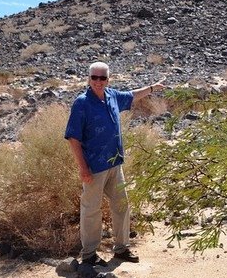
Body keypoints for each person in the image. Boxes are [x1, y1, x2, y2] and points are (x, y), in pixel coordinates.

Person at [65, 61, 165, 265]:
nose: (98, 82)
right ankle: (89, 255)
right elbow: (73, 138)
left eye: (102, 78)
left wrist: (152, 88)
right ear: (88, 78)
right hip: (94, 166)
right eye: (95, 77)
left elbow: (132, 94)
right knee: (91, 209)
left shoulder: (112, 96)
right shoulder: (82, 103)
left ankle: (121, 249)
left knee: (122, 204)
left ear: (108, 80)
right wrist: (83, 168)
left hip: (114, 163)